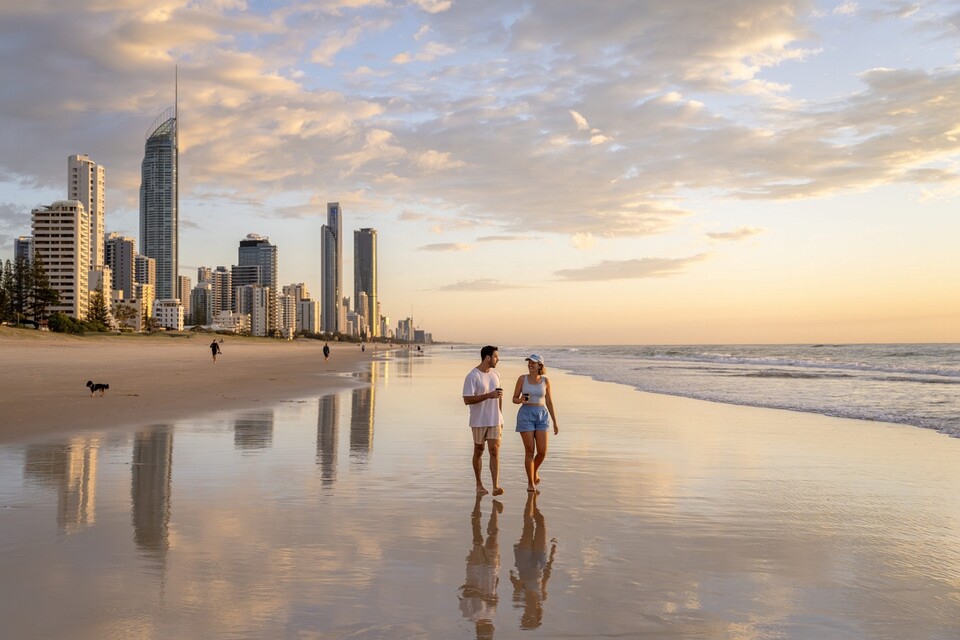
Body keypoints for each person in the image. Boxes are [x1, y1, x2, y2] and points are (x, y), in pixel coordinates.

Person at [512, 354, 559, 492]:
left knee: (543, 451)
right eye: (529, 363)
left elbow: (549, 402)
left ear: (540, 365)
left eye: (533, 363)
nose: (530, 365)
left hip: (542, 415)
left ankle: (534, 471)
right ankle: (530, 483)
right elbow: (514, 398)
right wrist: (521, 400)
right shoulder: (522, 379)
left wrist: (555, 422)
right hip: (526, 414)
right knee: (529, 451)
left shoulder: (545, 381)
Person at [462, 345, 505, 496]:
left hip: (495, 420)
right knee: (479, 451)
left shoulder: (496, 374)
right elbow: (467, 399)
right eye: (495, 357)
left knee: (494, 451)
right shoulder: (473, 376)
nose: (497, 359)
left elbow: (499, 396)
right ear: (488, 358)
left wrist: (501, 417)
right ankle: (479, 484)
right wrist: (488, 395)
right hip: (478, 420)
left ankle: (495, 486)